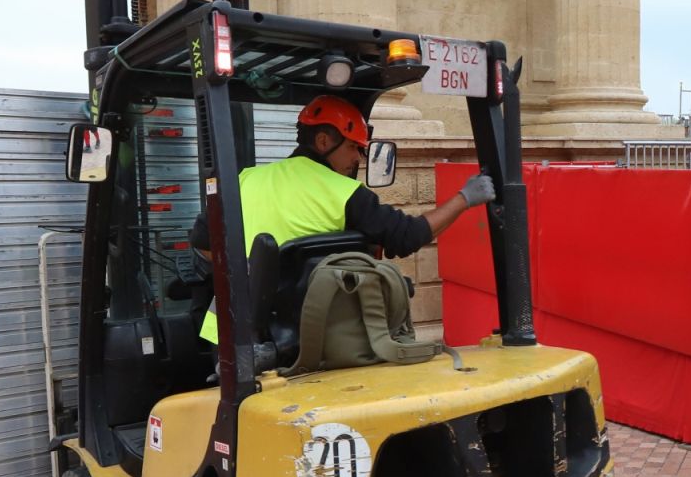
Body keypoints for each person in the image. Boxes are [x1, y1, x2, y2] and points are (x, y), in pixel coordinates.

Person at [201, 95, 493, 342]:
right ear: (324, 140)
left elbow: (202, 244)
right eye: (353, 147)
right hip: (315, 341)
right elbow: (409, 235)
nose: (358, 159)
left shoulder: (243, 180)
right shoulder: (347, 193)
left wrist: (248, 281)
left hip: (231, 337)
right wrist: (464, 198)